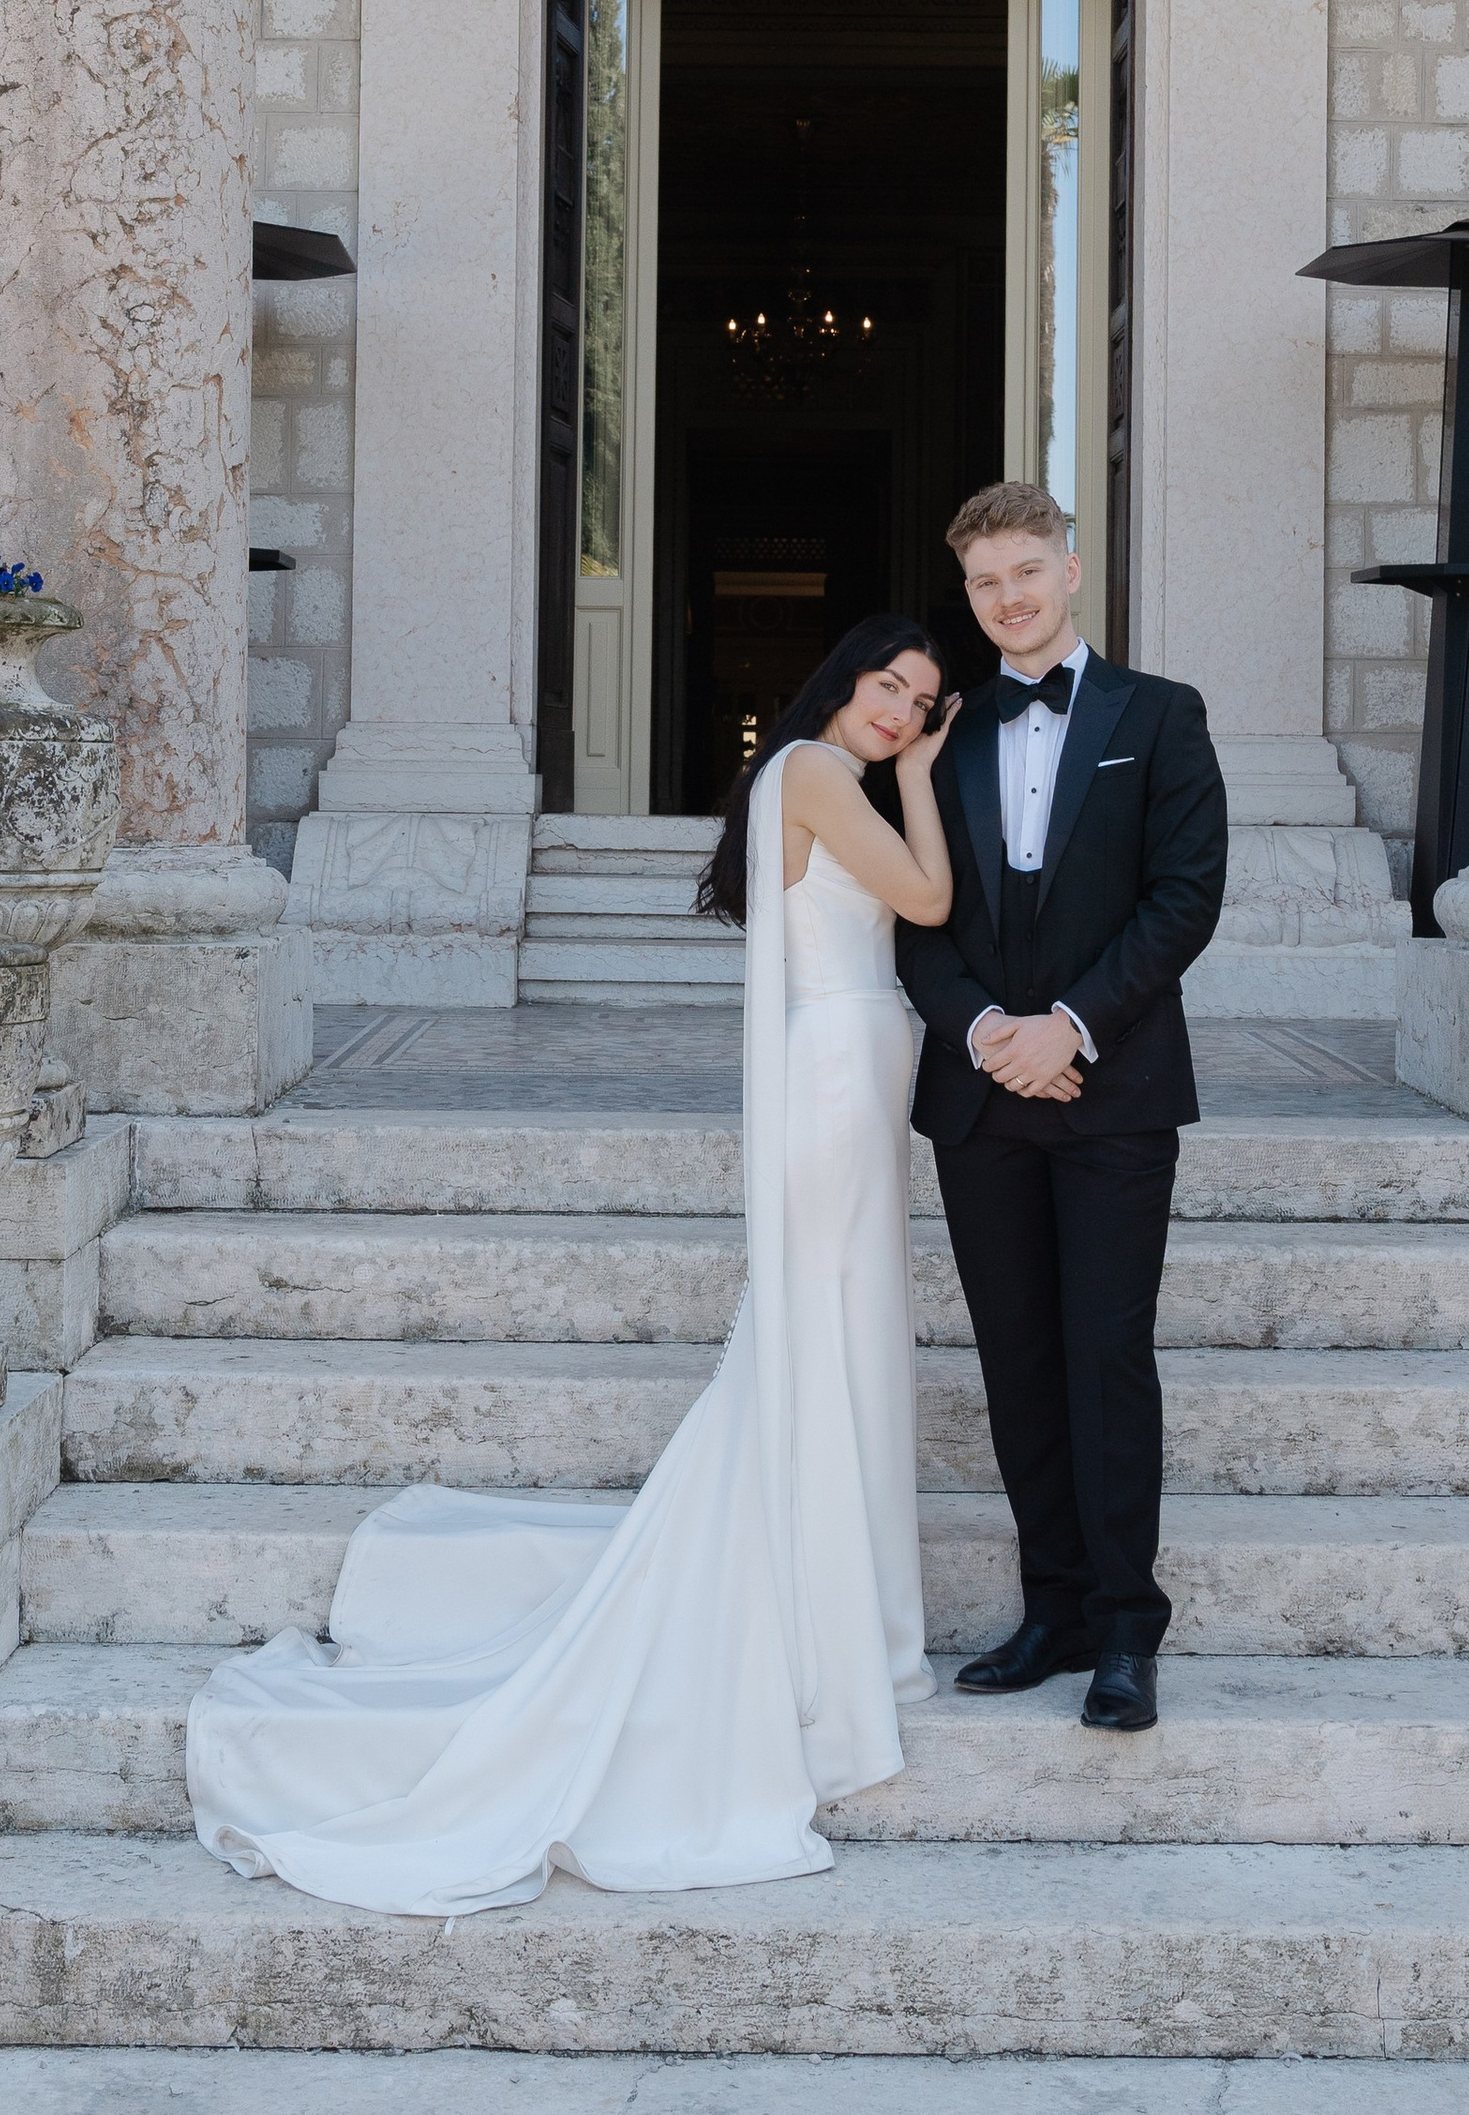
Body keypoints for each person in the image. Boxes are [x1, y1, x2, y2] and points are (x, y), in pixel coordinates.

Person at [184, 616, 958, 1915]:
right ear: (845, 684)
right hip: (837, 1080)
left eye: (923, 701)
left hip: (852, 1078)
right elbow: (930, 901)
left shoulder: (813, 779)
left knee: (826, 1353)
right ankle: (829, 1638)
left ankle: (839, 1616)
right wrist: (929, 779)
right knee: (819, 1351)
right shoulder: (824, 771)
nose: (902, 711)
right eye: (892, 687)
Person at [893, 479, 1227, 1737]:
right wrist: (986, 1033)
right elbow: (913, 913)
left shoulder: (1161, 715)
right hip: (981, 1098)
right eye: (985, 581)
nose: (1008, 598)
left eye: (1027, 571)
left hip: (1115, 1089)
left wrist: (1068, 1028)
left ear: (1070, 572)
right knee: (1018, 1363)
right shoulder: (943, 729)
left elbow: (1183, 898)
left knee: (1104, 1355)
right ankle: (1051, 1611)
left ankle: (1126, 1631)